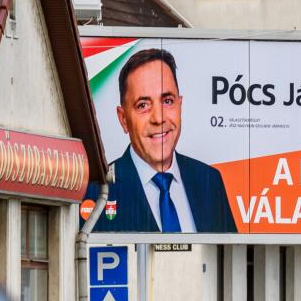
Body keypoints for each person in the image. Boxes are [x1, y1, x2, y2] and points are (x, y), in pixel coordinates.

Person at [83, 48, 238, 233]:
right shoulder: (96, 191)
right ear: (123, 119)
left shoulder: (209, 181)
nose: (158, 118)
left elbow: (228, 258)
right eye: (143, 105)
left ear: (180, 105)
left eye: (167, 101)